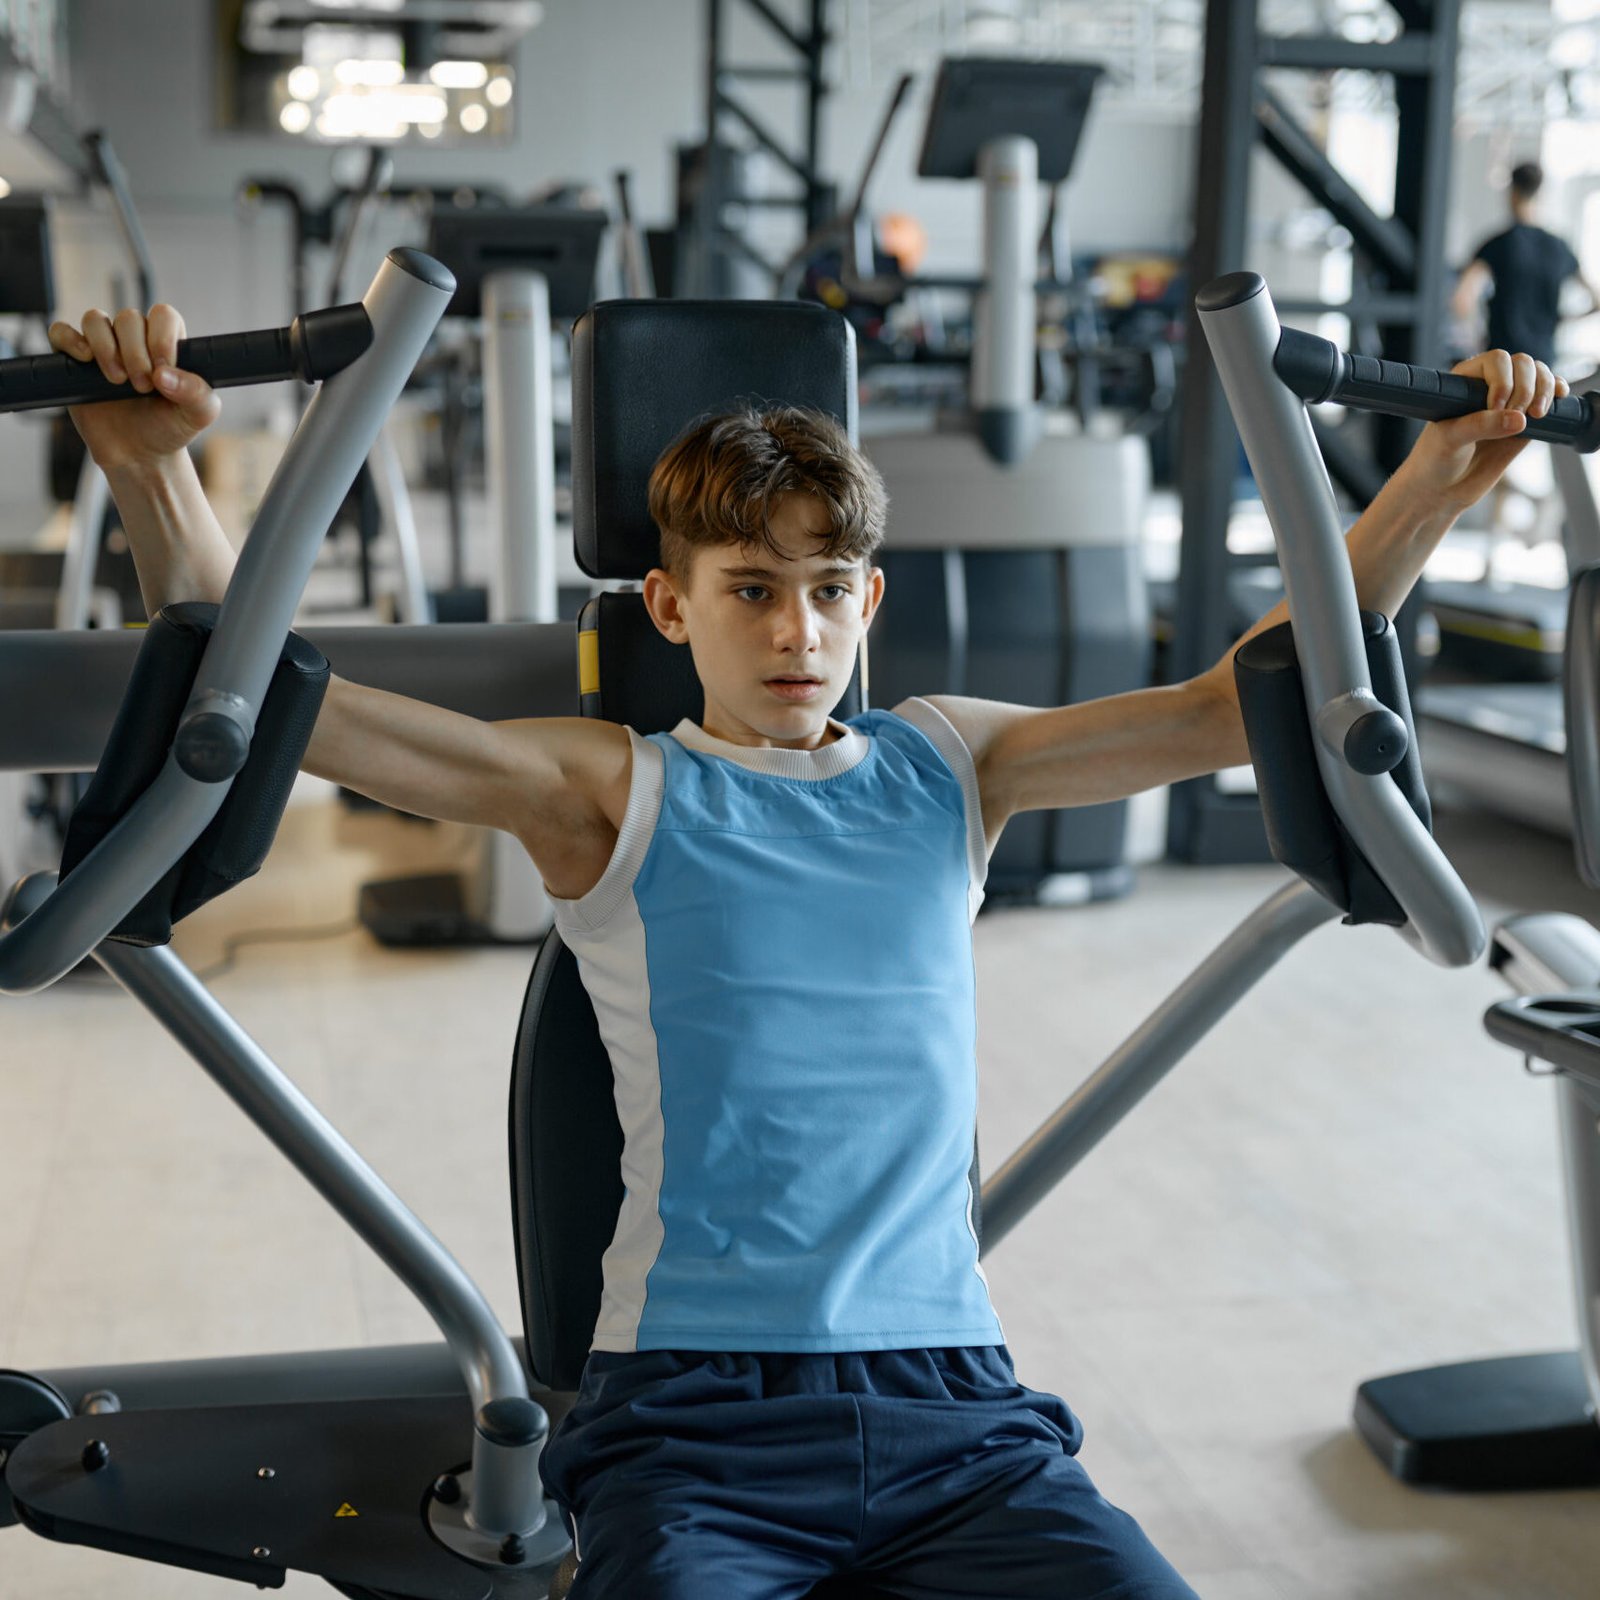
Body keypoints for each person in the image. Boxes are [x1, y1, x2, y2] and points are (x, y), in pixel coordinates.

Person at [48, 300, 1564, 1599]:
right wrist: (151, 469)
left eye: (829, 592)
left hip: (958, 1419)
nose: (796, 633)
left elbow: (1237, 701)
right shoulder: (612, 789)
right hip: (694, 1429)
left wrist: (1434, 487)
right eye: (752, 592)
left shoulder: (948, 767)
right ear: (670, 602)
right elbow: (271, 713)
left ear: (872, 603)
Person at [1452, 161, 1597, 368]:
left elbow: (1462, 300)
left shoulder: (1499, 244)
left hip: (1503, 361)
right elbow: (1597, 301)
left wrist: (1476, 339)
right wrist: (1561, 319)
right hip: (1544, 364)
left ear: (1512, 193)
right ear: (1540, 194)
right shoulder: (1559, 248)